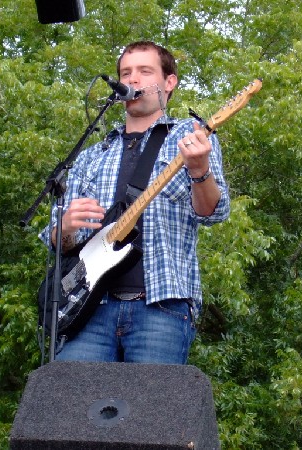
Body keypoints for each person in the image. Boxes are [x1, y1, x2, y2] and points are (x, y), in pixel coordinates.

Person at [39, 41, 230, 364]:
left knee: (152, 412)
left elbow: (214, 212)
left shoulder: (190, 137)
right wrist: (66, 226)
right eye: (126, 72)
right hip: (89, 309)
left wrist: (199, 170)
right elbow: (59, 243)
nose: (133, 79)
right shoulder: (91, 156)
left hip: (161, 307)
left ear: (169, 83)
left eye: (145, 71)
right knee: (73, 407)